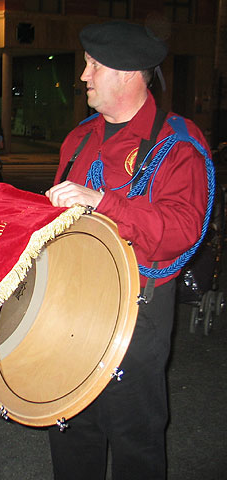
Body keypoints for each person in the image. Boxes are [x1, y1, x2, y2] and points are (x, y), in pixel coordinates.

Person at [45, 21, 211, 479]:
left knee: (134, 438)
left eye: (93, 65)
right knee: (70, 429)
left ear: (129, 72)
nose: (83, 75)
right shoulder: (79, 138)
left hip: (137, 313)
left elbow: (182, 229)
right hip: (71, 310)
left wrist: (101, 202)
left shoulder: (178, 145)